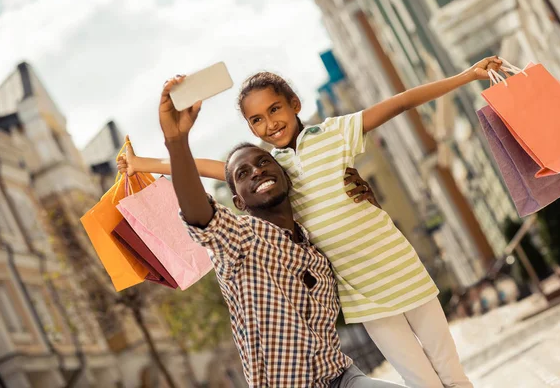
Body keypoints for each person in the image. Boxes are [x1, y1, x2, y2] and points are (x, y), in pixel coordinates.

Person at [121, 57, 501, 387]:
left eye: (274, 110)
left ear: (294, 104)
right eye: (256, 119)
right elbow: (203, 168)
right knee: (421, 382)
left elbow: (399, 103)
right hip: (361, 295)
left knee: (452, 375)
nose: (269, 124)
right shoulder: (270, 167)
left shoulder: (334, 133)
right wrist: (143, 164)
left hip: (402, 269)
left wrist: (466, 76)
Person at [158, 77, 405, 387]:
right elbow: (200, 215)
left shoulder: (314, 245)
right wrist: (176, 141)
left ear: (286, 176)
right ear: (239, 202)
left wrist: (364, 198)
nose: (257, 170)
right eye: (243, 174)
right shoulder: (240, 240)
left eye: (263, 162)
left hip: (343, 377)